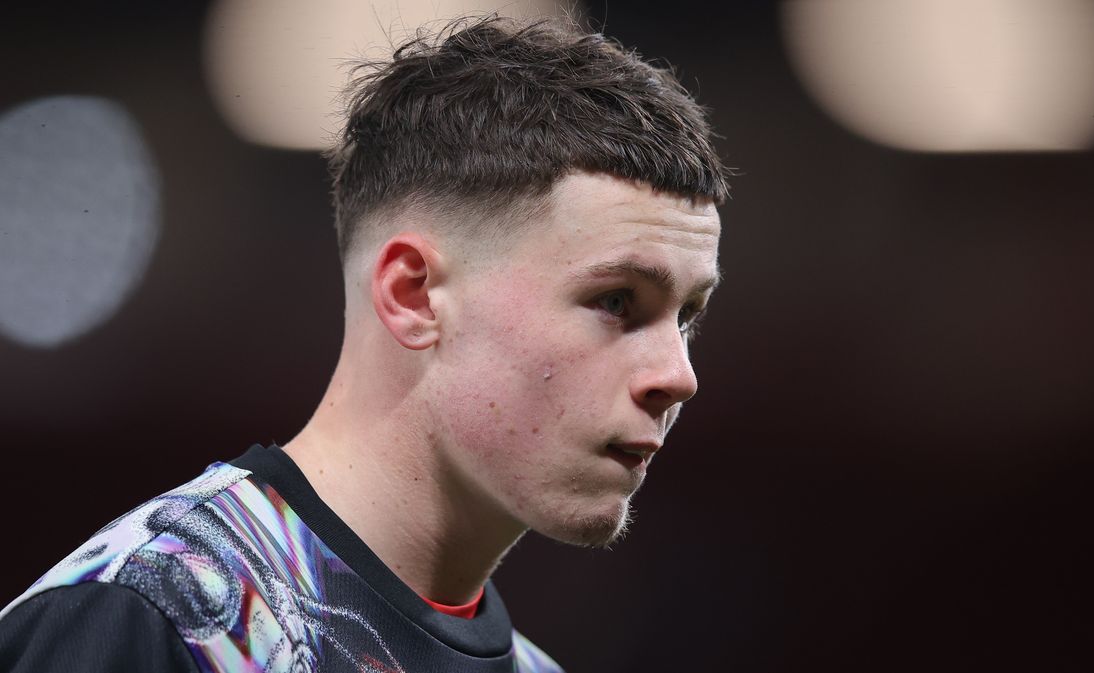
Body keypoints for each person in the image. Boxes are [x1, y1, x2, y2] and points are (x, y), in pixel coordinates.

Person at [0, 14, 729, 673]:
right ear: (413, 295)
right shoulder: (149, 618)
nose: (679, 375)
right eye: (615, 302)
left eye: (687, 315)